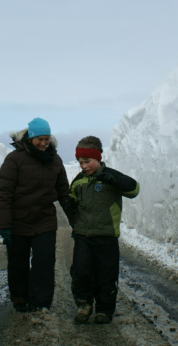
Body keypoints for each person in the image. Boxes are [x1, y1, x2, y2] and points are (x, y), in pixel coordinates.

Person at [0, 117, 74, 312]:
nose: (44, 143)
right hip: (18, 221)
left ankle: (41, 302)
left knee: (44, 263)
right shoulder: (14, 159)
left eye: (47, 139)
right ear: (30, 138)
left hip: (44, 220)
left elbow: (64, 193)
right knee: (18, 263)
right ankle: (20, 299)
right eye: (40, 139)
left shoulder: (55, 160)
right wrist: (5, 226)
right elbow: (3, 194)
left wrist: (75, 220)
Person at [67, 136, 139, 324]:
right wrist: (71, 208)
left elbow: (134, 190)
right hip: (83, 235)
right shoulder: (78, 181)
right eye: (80, 162)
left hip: (106, 236)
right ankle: (84, 304)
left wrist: (113, 180)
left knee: (106, 274)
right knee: (81, 272)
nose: (83, 166)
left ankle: (104, 310)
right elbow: (71, 199)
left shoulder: (112, 176)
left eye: (87, 161)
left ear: (98, 158)